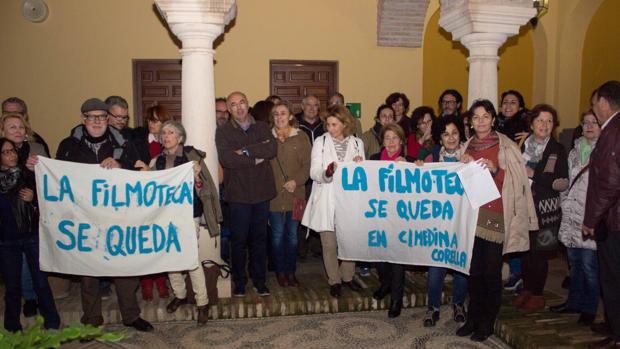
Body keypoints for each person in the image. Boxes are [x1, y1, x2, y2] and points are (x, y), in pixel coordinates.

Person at [55, 98, 153, 332]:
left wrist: (120, 165)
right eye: (92, 116)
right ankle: (91, 319)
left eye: (102, 116)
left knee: (125, 268)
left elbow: (139, 171)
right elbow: (57, 177)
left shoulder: (124, 143)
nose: (97, 121)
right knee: (89, 272)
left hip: (118, 217)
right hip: (85, 220)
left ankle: (131, 315)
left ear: (108, 119)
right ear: (83, 119)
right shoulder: (68, 145)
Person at [458, 99, 538, 342]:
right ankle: (472, 317)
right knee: (473, 272)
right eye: (475, 117)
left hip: (496, 217)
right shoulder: (467, 146)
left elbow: (517, 182)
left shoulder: (507, 146)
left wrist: (496, 170)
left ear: (493, 119)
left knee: (491, 273)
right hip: (472, 218)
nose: (480, 121)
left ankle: (486, 322)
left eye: (485, 116)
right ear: (470, 122)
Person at [136, 120, 221, 326]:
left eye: (171, 132)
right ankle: (180, 294)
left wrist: (197, 176)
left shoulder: (191, 158)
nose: (166, 136)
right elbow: (154, 188)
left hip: (189, 213)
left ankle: (202, 302)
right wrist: (146, 173)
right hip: (166, 215)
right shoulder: (157, 160)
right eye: (163, 133)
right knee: (171, 256)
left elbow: (204, 187)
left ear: (180, 137)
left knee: (190, 257)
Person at [216, 91, 277, 297]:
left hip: (261, 192)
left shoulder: (262, 126)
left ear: (248, 104)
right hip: (238, 195)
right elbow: (227, 160)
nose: (239, 107)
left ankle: (260, 281)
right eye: (233, 105)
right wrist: (256, 157)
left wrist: (245, 151)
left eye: (242, 102)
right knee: (239, 241)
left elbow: (272, 149)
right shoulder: (223, 132)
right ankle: (240, 282)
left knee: (260, 240)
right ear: (230, 109)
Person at [301, 105, 365, 298]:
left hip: (349, 200)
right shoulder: (320, 142)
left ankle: (348, 276)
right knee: (329, 243)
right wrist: (326, 173)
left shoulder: (356, 143)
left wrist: (359, 165)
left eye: (334, 124)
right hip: (327, 198)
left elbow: (363, 172)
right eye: (328, 124)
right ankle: (334, 280)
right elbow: (313, 172)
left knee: (349, 241)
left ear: (345, 124)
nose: (330, 128)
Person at [0, 137, 60, 332]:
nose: (10, 155)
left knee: (41, 281)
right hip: (6, 241)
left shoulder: (29, 175)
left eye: (12, 151)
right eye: (5, 152)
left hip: (32, 236)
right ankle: (12, 327)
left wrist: (34, 198)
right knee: (12, 286)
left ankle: (52, 322)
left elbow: (47, 200)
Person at [513, 104, 569, 313]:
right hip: (523, 207)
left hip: (545, 210)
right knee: (526, 251)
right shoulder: (522, 144)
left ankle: (537, 293)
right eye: (540, 120)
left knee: (540, 253)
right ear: (531, 123)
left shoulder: (557, 149)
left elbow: (562, 182)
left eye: (549, 121)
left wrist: (532, 173)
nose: (544, 125)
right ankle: (527, 289)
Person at [416, 115, 468, 327]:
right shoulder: (432, 157)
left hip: (461, 220)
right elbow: (417, 175)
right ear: (440, 137)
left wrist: (471, 163)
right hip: (437, 222)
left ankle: (458, 304)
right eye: (446, 134)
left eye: (455, 133)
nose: (451, 138)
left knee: (460, 266)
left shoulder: (468, 156)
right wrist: (417, 166)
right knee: (435, 267)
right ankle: (433, 307)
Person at [550, 110, 600, 326]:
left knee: (590, 266)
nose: (589, 126)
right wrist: (564, 200)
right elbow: (568, 181)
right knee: (574, 263)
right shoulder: (574, 150)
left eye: (594, 122)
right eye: (585, 122)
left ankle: (589, 307)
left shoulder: (606, 150)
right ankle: (574, 302)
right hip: (571, 215)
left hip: (590, 215)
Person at [582, 80, 620, 349]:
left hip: (614, 219)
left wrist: (591, 219)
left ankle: (617, 334)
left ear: (604, 103)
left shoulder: (613, 131)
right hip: (614, 215)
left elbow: (609, 182)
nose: (594, 111)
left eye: (594, 105)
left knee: (613, 276)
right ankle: (612, 321)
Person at [1, 113, 49, 315]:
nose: (18, 131)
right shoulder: (6, 154)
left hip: (32, 220)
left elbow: (50, 180)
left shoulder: (36, 149)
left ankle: (48, 315)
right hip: (8, 229)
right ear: (4, 132)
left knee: (36, 268)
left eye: (21, 127)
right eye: (12, 127)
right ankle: (28, 298)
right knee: (17, 270)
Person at [369, 123, 413, 318]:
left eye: (395, 138)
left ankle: (396, 298)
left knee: (397, 259)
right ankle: (385, 284)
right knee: (380, 256)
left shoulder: (411, 161)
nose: (391, 142)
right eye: (387, 138)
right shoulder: (373, 160)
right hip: (379, 215)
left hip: (401, 219)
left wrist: (414, 169)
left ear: (402, 141)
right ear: (382, 141)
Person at [131, 104, 172, 301]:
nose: (151, 124)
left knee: (161, 241)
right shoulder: (137, 142)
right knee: (145, 241)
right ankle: (146, 283)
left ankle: (162, 281)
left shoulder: (171, 143)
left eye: (155, 120)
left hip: (164, 201)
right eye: (149, 120)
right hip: (142, 200)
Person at [268, 102, 311, 287]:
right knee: (277, 235)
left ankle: (291, 271)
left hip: (297, 196)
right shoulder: (267, 138)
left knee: (293, 236)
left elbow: (309, 165)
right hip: (274, 197)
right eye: (276, 114)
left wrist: (297, 181)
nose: (279, 117)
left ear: (290, 116)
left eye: (283, 113)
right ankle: (280, 272)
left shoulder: (301, 137)